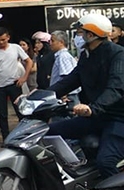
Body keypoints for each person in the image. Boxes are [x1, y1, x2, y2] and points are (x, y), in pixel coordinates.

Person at [49, 13, 124, 180]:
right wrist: (42, 96)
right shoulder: (87, 55)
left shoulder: (117, 54)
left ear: (91, 35)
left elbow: (116, 88)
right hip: (96, 116)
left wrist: (92, 108)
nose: (78, 36)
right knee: (49, 133)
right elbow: (71, 80)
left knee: (106, 162)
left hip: (118, 119)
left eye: (80, 33)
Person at [0, 27, 32, 140]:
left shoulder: (16, 48)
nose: (1, 42)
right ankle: (6, 138)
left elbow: (29, 61)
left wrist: (24, 77)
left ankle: (24, 136)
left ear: (8, 37)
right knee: (2, 114)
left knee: (21, 111)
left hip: (14, 84)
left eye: (3, 39)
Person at [49, 30, 80, 106]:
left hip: (66, 96)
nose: (50, 43)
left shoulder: (63, 56)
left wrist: (64, 94)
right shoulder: (61, 56)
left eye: (52, 41)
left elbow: (67, 77)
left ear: (61, 42)